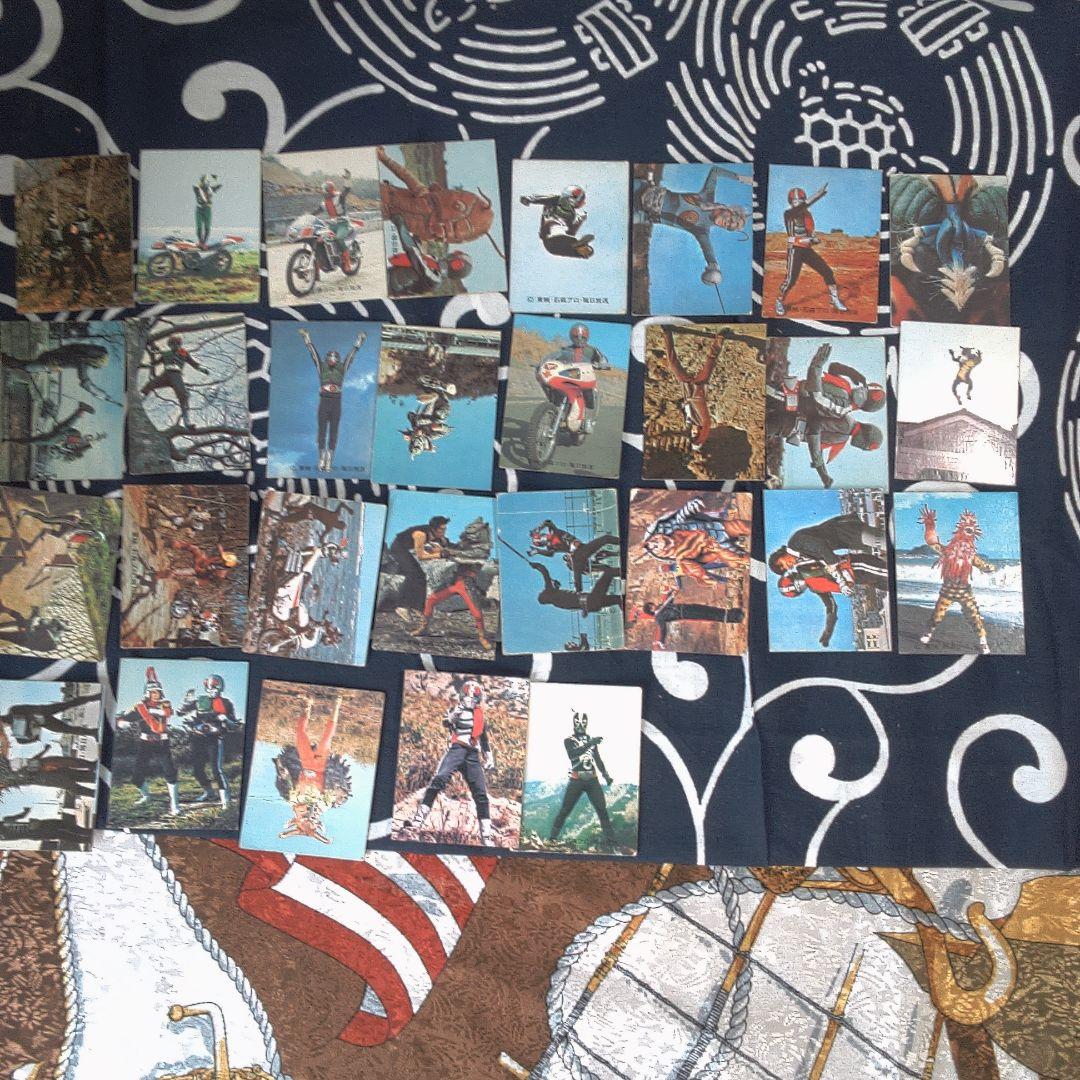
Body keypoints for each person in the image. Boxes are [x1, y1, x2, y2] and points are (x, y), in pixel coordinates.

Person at [406, 679, 496, 845]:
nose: (470, 699)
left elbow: (483, 738)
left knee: (481, 794)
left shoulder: (480, 715)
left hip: (472, 755)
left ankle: (486, 836)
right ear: (462, 696)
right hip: (457, 749)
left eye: (473, 697)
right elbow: (446, 722)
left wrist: (489, 756)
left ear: (478, 698)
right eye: (467, 695)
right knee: (439, 779)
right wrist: (456, 713)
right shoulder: (455, 710)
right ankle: (417, 821)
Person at [635, 165, 750, 284]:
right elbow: (715, 171)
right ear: (730, 211)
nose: (726, 224)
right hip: (643, 190)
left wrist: (713, 266)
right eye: (731, 220)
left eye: (729, 227)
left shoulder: (702, 230)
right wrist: (740, 178)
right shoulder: (707, 196)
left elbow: (708, 251)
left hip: (643, 214)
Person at [916, 504, 995, 654]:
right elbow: (932, 542)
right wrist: (929, 525)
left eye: (970, 531)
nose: (968, 533)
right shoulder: (947, 551)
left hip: (964, 592)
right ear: (960, 531)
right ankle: (928, 634)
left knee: (974, 616)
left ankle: (983, 641)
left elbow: (982, 565)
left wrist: (990, 568)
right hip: (947, 590)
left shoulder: (971, 556)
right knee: (938, 614)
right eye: (966, 529)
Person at [275, 704, 352, 845]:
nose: (307, 819)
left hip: (305, 762)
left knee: (300, 734)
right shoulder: (323, 805)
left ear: (297, 819)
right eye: (311, 823)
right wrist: (323, 839)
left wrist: (282, 770)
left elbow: (288, 781)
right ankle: (337, 704)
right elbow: (336, 791)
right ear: (316, 822)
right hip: (320, 766)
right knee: (326, 739)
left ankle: (308, 705)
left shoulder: (294, 800)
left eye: (303, 821)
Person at [297, 327, 366, 472]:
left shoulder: (342, 368)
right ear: (327, 358)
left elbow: (350, 356)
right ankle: (321, 458)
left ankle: (329, 460)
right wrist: (307, 338)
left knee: (334, 431)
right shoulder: (321, 367)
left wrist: (359, 342)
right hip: (324, 399)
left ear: (337, 359)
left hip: (336, 401)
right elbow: (314, 354)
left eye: (335, 358)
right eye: (330, 357)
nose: (332, 360)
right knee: (322, 430)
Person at [115, 667, 181, 816]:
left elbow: (167, 713)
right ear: (148, 693)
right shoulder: (140, 707)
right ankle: (146, 796)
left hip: (162, 743)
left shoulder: (165, 705)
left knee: (170, 772)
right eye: (153, 692)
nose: (156, 695)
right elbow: (125, 718)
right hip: (145, 744)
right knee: (136, 776)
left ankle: (175, 805)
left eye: (158, 692)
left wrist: (148, 711)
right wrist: (123, 722)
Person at [774, 185, 847, 317]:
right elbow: (796, 235)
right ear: (791, 202)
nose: (798, 203)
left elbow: (807, 235)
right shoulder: (789, 214)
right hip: (795, 250)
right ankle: (779, 300)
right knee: (791, 280)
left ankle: (834, 298)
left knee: (827, 271)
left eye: (800, 200)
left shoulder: (807, 215)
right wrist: (818, 194)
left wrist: (813, 240)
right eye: (795, 201)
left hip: (806, 249)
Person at [549, 711, 617, 851]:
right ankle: (552, 839)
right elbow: (573, 754)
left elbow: (598, 760)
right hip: (577, 780)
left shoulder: (591, 740)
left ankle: (612, 842)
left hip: (592, 779)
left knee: (602, 810)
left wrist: (606, 775)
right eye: (577, 722)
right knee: (565, 809)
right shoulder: (569, 740)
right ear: (573, 723)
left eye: (583, 722)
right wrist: (590, 743)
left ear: (587, 723)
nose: (580, 725)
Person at [177, 673, 238, 810]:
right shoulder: (200, 700)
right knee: (197, 770)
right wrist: (185, 701)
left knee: (216, 769)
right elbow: (180, 713)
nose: (212, 689)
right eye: (209, 686)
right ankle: (209, 792)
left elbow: (234, 725)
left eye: (215, 686)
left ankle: (226, 801)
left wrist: (226, 720)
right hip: (198, 738)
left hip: (215, 738)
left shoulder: (226, 703)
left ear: (220, 687)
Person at [537, 323, 610, 435]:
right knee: (553, 387)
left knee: (592, 392)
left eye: (582, 337)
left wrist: (602, 364)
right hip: (569, 376)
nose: (579, 339)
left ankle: (588, 420)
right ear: (572, 337)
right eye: (576, 337)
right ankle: (555, 409)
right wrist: (545, 363)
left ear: (587, 337)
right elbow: (555, 359)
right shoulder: (566, 349)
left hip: (585, 376)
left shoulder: (592, 350)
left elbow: (603, 360)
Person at [628, 587, 744, 649]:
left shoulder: (663, 605)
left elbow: (671, 600)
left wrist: (672, 593)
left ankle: (734, 612)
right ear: (651, 611)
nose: (653, 606)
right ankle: (734, 618)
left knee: (709, 609)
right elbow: (663, 629)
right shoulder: (658, 618)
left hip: (687, 607)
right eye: (651, 608)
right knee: (709, 615)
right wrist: (661, 641)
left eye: (651, 604)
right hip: (686, 613)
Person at [2, 401, 105, 463]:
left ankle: (80, 409)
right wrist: (98, 439)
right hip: (63, 435)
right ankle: (81, 409)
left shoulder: (73, 451)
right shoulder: (79, 442)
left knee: (38, 440)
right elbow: (87, 445)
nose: (87, 438)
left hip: (60, 437)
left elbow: (74, 450)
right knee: (48, 438)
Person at [140, 334, 208, 426]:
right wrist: (145, 365)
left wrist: (202, 369)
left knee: (183, 395)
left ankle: (187, 421)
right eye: (172, 344)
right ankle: (140, 399)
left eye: (177, 344)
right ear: (170, 345)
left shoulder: (184, 354)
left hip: (176, 375)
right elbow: (155, 363)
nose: (175, 346)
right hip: (166, 375)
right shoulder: (166, 354)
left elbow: (194, 364)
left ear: (180, 345)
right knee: (150, 384)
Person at [388, 515, 450, 615]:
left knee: (421, 576)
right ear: (433, 529)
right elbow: (421, 556)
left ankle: (418, 607)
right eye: (441, 529)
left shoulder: (436, 535)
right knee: (412, 573)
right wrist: (440, 555)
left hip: (407, 549)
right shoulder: (420, 534)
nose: (444, 532)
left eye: (445, 529)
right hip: (398, 548)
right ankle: (401, 606)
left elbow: (437, 546)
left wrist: (443, 548)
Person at [519, 185, 594, 258]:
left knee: (565, 241)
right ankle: (579, 249)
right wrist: (529, 199)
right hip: (550, 234)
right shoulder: (556, 200)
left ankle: (582, 251)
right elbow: (542, 198)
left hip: (556, 244)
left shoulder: (572, 215)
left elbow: (570, 232)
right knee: (555, 224)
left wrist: (579, 222)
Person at [528, 559, 622, 614]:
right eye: (541, 592)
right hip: (590, 599)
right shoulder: (550, 592)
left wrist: (555, 585)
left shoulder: (557, 603)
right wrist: (537, 565)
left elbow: (558, 588)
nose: (542, 590)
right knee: (610, 572)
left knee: (618, 599)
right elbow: (545, 572)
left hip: (591, 606)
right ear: (545, 596)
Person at [66, 204, 109, 306]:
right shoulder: (74, 224)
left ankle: (105, 280)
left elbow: (102, 231)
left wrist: (101, 236)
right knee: (80, 269)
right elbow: (71, 238)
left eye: (81, 210)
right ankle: (77, 292)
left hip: (93, 246)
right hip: (81, 248)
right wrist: (74, 236)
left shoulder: (93, 220)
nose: (79, 213)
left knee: (98, 263)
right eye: (78, 211)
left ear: (85, 211)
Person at [317, 170, 355, 271]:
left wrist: (347, 179)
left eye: (325, 190)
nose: (323, 192)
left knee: (338, 238)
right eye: (323, 190)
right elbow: (317, 211)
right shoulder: (324, 203)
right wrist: (306, 216)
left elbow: (346, 189)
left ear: (330, 190)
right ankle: (323, 261)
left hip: (343, 224)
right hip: (332, 225)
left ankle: (347, 262)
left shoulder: (339, 197)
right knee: (319, 239)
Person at [40, 210, 68, 293]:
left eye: (54, 217)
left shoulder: (59, 228)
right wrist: (47, 248)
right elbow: (43, 242)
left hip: (61, 252)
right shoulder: (47, 231)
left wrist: (64, 248)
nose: (54, 219)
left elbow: (63, 240)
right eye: (52, 217)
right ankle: (48, 287)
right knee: (54, 272)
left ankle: (62, 285)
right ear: (49, 219)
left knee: (62, 270)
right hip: (53, 253)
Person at [193, 174, 222, 247]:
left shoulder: (210, 189)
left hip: (207, 209)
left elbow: (219, 185)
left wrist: (216, 179)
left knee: (207, 227)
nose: (205, 184)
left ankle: (204, 243)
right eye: (203, 182)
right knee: (199, 226)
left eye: (206, 182)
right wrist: (201, 183)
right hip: (199, 209)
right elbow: (195, 187)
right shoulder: (197, 188)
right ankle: (201, 242)